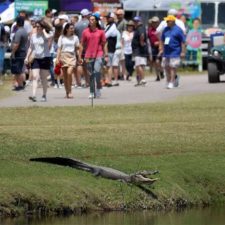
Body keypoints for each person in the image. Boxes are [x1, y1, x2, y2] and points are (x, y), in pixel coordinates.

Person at [80, 13, 107, 99]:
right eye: (90, 19)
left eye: (93, 19)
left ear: (96, 21)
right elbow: (81, 44)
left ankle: (98, 88)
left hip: (99, 53)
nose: (91, 21)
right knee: (91, 74)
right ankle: (92, 92)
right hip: (88, 55)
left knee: (97, 71)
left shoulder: (101, 32)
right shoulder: (85, 32)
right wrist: (80, 56)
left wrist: (105, 55)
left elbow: (104, 44)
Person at [25, 20, 53, 102]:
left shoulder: (48, 34)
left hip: (45, 58)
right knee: (35, 76)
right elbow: (31, 47)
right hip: (36, 58)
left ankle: (44, 95)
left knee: (44, 78)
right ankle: (33, 95)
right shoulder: (33, 36)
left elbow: (48, 38)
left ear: (43, 27)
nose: (37, 28)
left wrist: (44, 31)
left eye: (39, 26)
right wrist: (27, 57)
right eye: (36, 26)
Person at [159, 15, 186, 89]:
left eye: (168, 21)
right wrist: (161, 48)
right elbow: (162, 39)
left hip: (175, 51)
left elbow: (183, 42)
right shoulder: (165, 29)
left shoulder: (178, 30)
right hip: (166, 51)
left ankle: (171, 82)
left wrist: (183, 52)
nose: (167, 22)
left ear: (173, 21)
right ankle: (170, 80)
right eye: (166, 21)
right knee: (166, 66)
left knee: (172, 67)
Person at [56, 23, 80, 99]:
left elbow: (77, 49)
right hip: (63, 56)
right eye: (71, 28)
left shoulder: (75, 37)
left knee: (69, 72)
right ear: (67, 29)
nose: (72, 29)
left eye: (73, 28)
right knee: (65, 76)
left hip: (72, 56)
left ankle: (70, 91)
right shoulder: (62, 37)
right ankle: (67, 92)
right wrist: (57, 58)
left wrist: (79, 57)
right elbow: (59, 49)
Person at [11, 16, 28, 91]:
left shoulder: (18, 32)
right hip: (23, 52)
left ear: (17, 23)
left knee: (18, 70)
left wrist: (13, 52)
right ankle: (20, 85)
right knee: (20, 69)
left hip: (18, 52)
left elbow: (16, 44)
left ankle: (20, 86)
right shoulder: (24, 31)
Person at [74, 8, 91, 88]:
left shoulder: (76, 24)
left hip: (79, 47)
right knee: (87, 66)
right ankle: (88, 82)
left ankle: (79, 82)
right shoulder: (90, 23)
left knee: (79, 64)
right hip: (89, 47)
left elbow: (75, 36)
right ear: (86, 15)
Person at [132, 16, 149, 86]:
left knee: (138, 65)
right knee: (139, 66)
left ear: (140, 21)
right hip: (139, 50)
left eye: (137, 21)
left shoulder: (140, 28)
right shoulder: (138, 28)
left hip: (139, 50)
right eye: (135, 21)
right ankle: (139, 80)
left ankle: (143, 79)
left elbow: (142, 35)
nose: (135, 23)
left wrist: (141, 42)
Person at [105, 12, 121, 86]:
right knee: (112, 65)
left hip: (114, 49)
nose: (107, 19)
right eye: (107, 17)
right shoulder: (110, 26)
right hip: (112, 48)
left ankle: (112, 80)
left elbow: (106, 36)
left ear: (112, 18)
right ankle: (112, 80)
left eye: (108, 17)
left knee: (112, 65)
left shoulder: (113, 26)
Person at [148, 16, 164, 81]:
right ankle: (158, 76)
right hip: (153, 48)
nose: (154, 23)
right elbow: (149, 39)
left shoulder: (161, 29)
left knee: (158, 61)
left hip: (160, 47)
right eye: (153, 22)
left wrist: (159, 43)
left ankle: (161, 71)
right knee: (155, 62)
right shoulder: (150, 30)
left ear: (158, 22)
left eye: (155, 22)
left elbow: (163, 38)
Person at [0, 18, 6, 85]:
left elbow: (4, 36)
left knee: (0, 62)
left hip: (0, 46)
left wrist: (4, 44)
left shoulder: (2, 26)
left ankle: (0, 79)